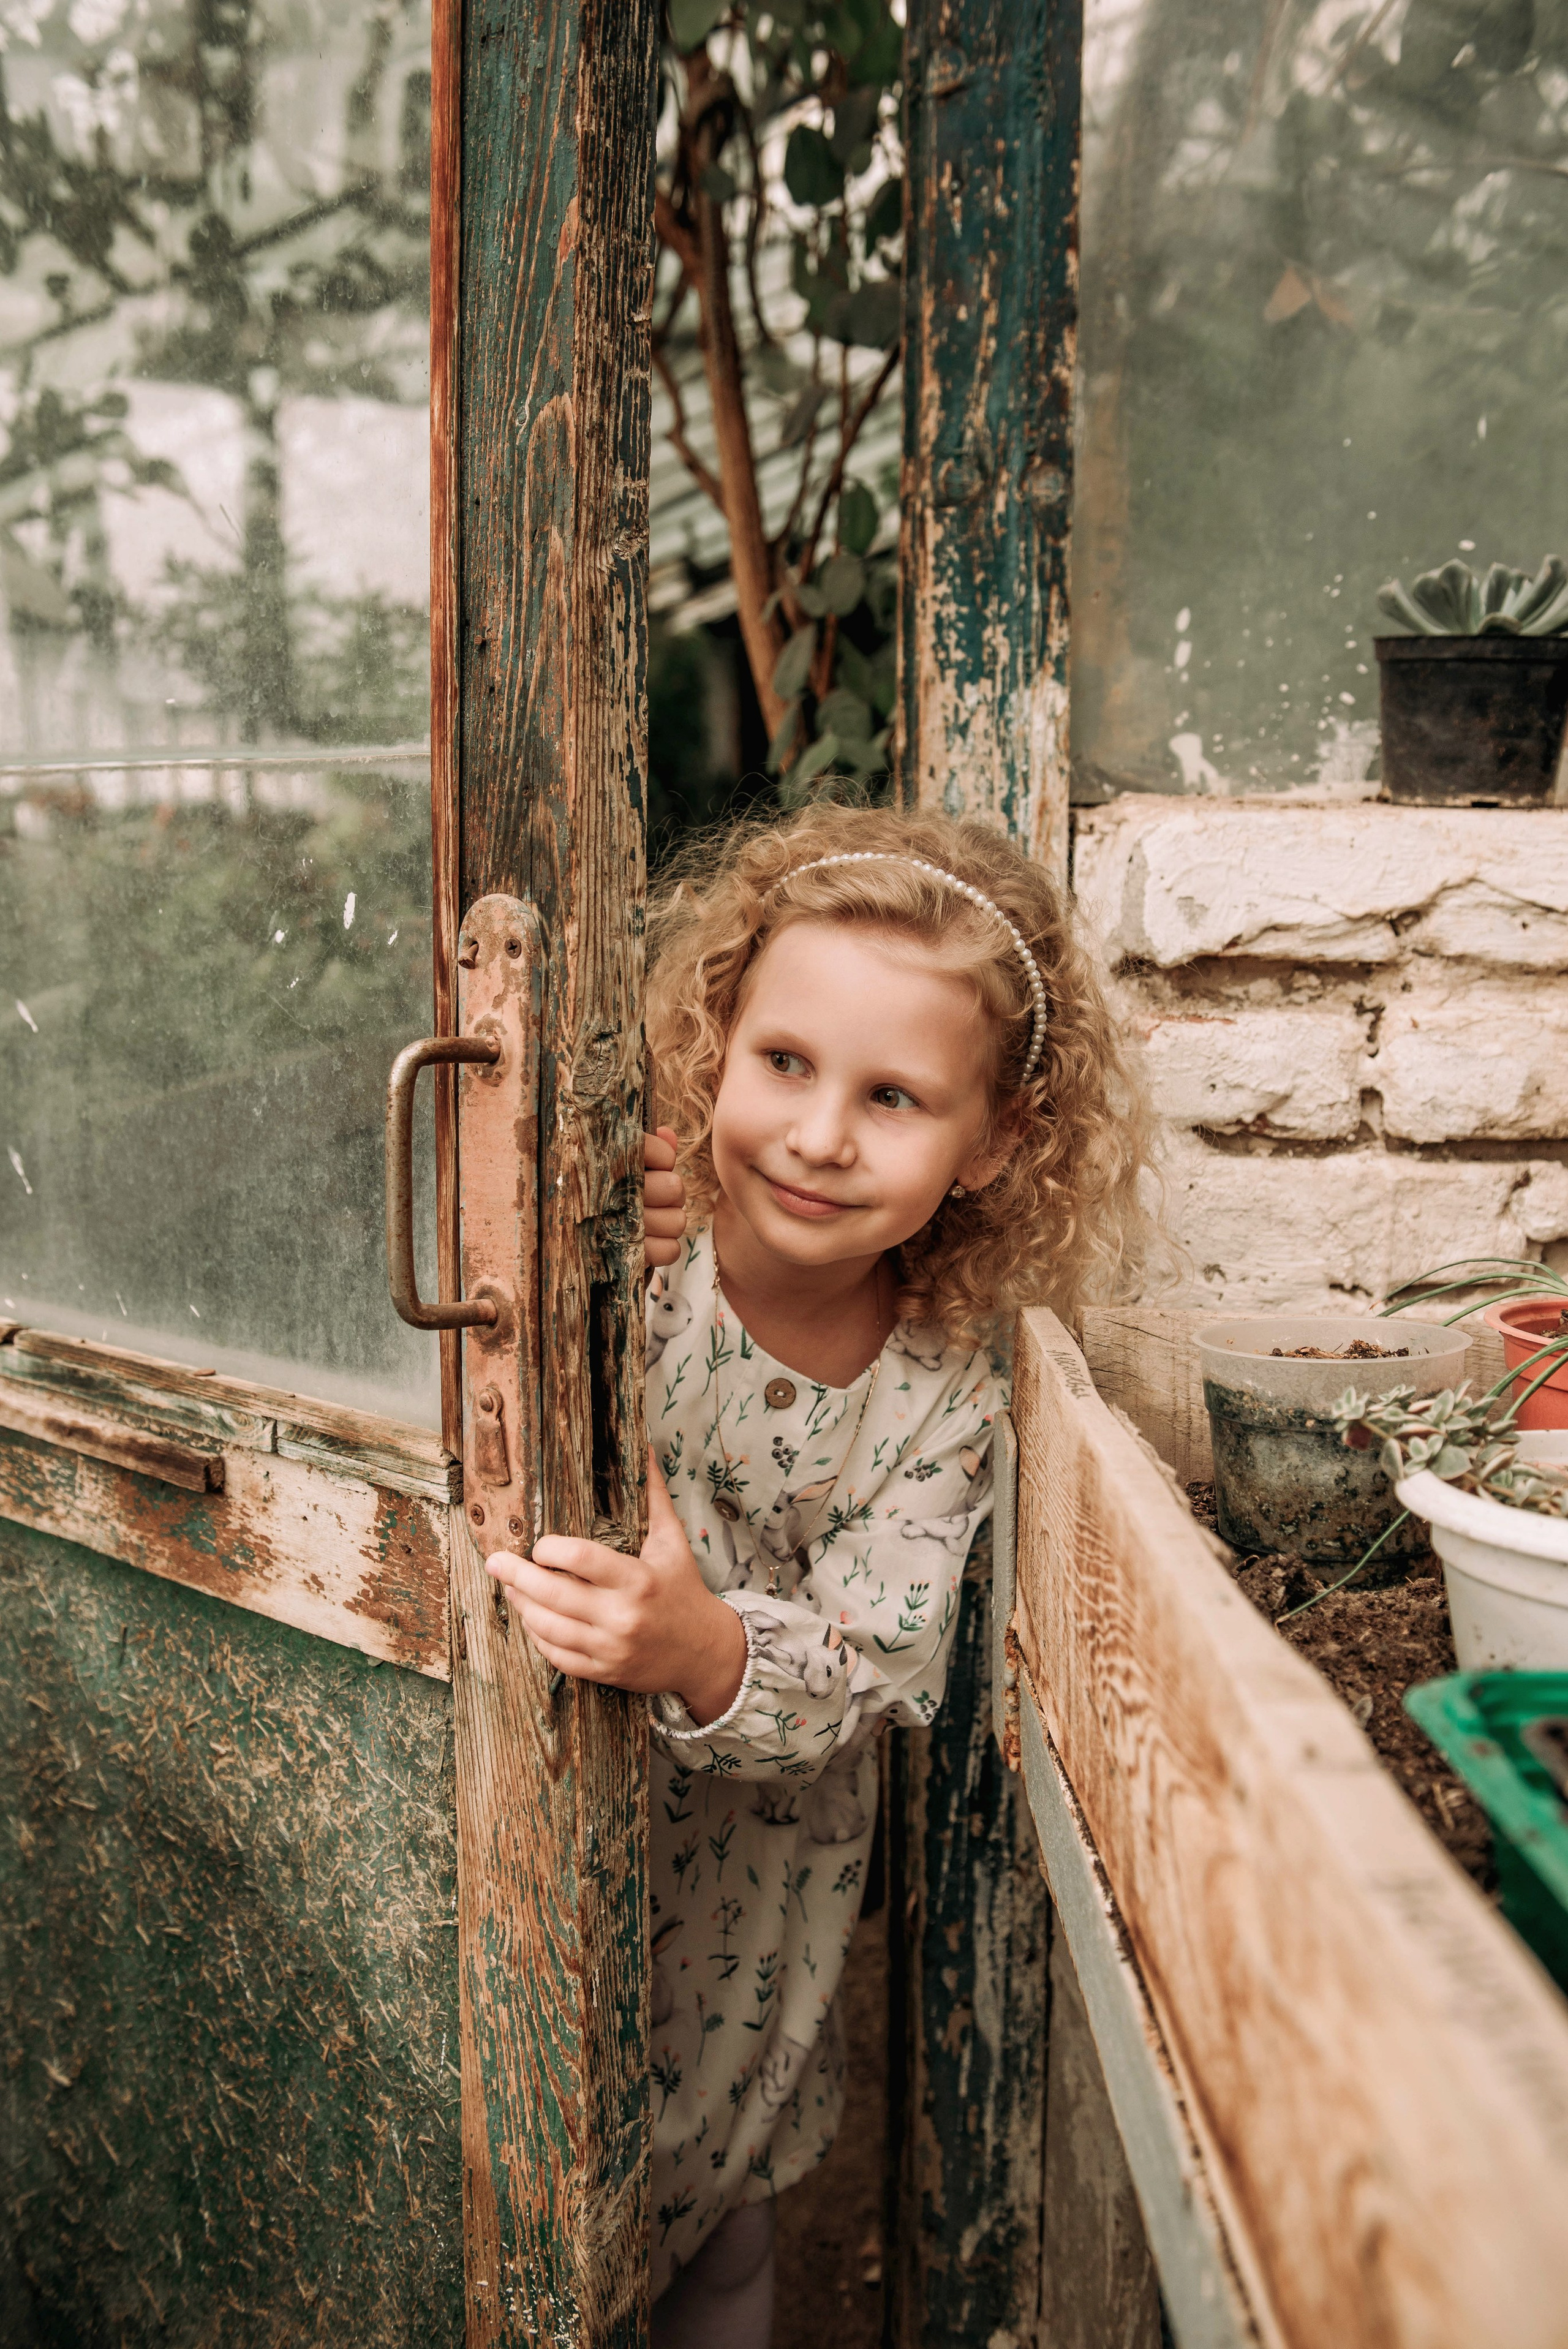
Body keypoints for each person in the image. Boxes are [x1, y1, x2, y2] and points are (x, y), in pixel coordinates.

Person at [485, 804, 1157, 2346]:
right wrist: (582, 1233)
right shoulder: (629, 1232)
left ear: (992, 1144)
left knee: (716, 2232)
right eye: (783, 1062)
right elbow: (462, 1342)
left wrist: (704, 1644)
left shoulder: (940, 1396)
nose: (817, 1133)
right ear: (715, 1038)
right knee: (521, 2215)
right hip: (528, 1804)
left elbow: (872, 1657)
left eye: (894, 1096)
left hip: (745, 1877)